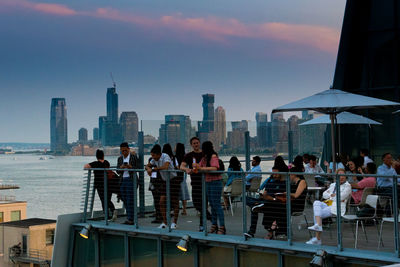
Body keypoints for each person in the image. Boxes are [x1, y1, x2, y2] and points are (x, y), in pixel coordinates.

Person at [306, 169, 352, 245]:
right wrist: (332, 195)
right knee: (316, 202)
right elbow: (324, 195)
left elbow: (341, 197)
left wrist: (331, 195)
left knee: (317, 213)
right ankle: (318, 227)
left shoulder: (348, 186)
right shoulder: (333, 185)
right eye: (339, 175)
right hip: (328, 203)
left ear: (345, 176)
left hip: (337, 206)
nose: (341, 177)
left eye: (343, 175)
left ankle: (317, 237)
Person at [244, 166, 286, 238]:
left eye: (276, 173)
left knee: (254, 208)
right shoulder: (270, 182)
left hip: (274, 203)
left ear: (281, 173)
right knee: (245, 199)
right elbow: (265, 193)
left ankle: (251, 232)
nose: (274, 175)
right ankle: (258, 204)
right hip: (266, 200)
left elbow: (282, 198)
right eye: (273, 173)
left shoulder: (284, 184)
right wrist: (263, 196)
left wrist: (272, 199)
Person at [180, 137, 211, 231]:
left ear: (199, 143)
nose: (196, 145)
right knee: (197, 204)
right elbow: (181, 166)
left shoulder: (204, 154)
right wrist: (186, 169)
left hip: (205, 182)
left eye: (197, 143)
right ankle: (210, 217)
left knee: (204, 205)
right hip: (195, 183)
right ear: (191, 145)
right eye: (194, 143)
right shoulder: (189, 155)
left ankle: (202, 225)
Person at [195, 141, 226, 234]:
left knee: (216, 205)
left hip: (215, 182)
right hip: (207, 182)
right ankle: (214, 224)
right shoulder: (204, 158)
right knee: (212, 205)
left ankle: (222, 226)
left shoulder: (213, 156)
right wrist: (196, 167)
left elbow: (215, 168)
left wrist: (201, 169)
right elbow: (199, 166)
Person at [146, 144, 177, 229]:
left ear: (159, 154)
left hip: (173, 179)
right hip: (165, 181)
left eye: (154, 155)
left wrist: (155, 169)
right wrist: (148, 169)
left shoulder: (165, 156)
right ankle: (165, 222)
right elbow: (148, 165)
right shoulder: (154, 159)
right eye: (151, 156)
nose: (153, 157)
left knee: (174, 201)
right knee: (161, 201)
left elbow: (166, 166)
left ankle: (174, 222)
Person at [84, 149, 117, 221]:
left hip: (99, 184)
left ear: (96, 156)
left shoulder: (95, 163)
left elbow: (85, 166)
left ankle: (109, 214)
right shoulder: (107, 162)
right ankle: (112, 213)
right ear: (103, 156)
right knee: (108, 199)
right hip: (109, 183)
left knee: (103, 200)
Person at [117, 142, 139, 225]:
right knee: (124, 198)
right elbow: (117, 171)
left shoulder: (133, 157)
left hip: (131, 180)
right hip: (123, 180)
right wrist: (121, 167)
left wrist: (130, 167)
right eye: (122, 151)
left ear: (128, 149)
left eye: (125, 150)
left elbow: (138, 168)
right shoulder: (119, 159)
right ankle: (129, 216)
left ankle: (131, 218)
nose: (124, 152)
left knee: (130, 199)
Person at [163, 143, 184, 228]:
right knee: (173, 201)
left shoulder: (171, 158)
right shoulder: (174, 157)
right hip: (173, 181)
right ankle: (170, 222)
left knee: (170, 201)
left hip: (171, 181)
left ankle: (169, 222)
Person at [175, 143, 190, 216]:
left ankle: (177, 209)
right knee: (184, 193)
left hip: (175, 177)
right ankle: (184, 209)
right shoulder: (185, 157)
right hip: (183, 177)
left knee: (177, 194)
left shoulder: (175, 157)